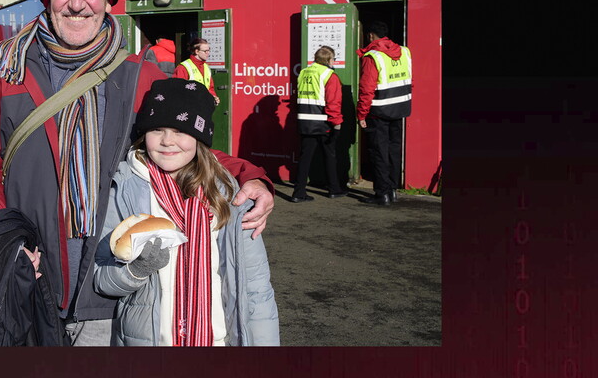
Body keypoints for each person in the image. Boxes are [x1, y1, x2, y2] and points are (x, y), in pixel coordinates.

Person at [0, 0, 275, 346]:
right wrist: (0, 239)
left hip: (109, 291)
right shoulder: (8, 73)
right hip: (29, 278)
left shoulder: (138, 76)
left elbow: (181, 146)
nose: (77, 3)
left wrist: (250, 175)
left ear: (108, 0)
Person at [92, 78, 281, 346]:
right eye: (157, 129)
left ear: (200, 137)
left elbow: (256, 290)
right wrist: (135, 271)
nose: (167, 141)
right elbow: (101, 278)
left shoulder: (231, 198)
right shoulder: (123, 192)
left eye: (180, 130)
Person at [356, 21, 412, 205]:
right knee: (394, 150)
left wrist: (362, 114)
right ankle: (393, 191)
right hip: (399, 108)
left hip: (378, 111)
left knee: (379, 152)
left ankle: (382, 194)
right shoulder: (404, 51)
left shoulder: (373, 56)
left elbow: (366, 88)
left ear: (371, 35)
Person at [290, 46, 347, 202]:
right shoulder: (329, 75)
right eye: (333, 58)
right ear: (328, 60)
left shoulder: (303, 73)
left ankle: (298, 192)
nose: (334, 61)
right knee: (329, 155)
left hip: (305, 121)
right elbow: (333, 102)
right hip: (323, 122)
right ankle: (334, 189)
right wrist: (337, 123)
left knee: (305, 157)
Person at [174, 37, 220, 106]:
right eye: (205, 51)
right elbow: (178, 90)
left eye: (208, 50)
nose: (208, 53)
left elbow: (210, 88)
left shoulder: (206, 67)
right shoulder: (183, 67)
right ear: (197, 51)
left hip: (203, 107)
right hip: (189, 107)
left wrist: (213, 97)